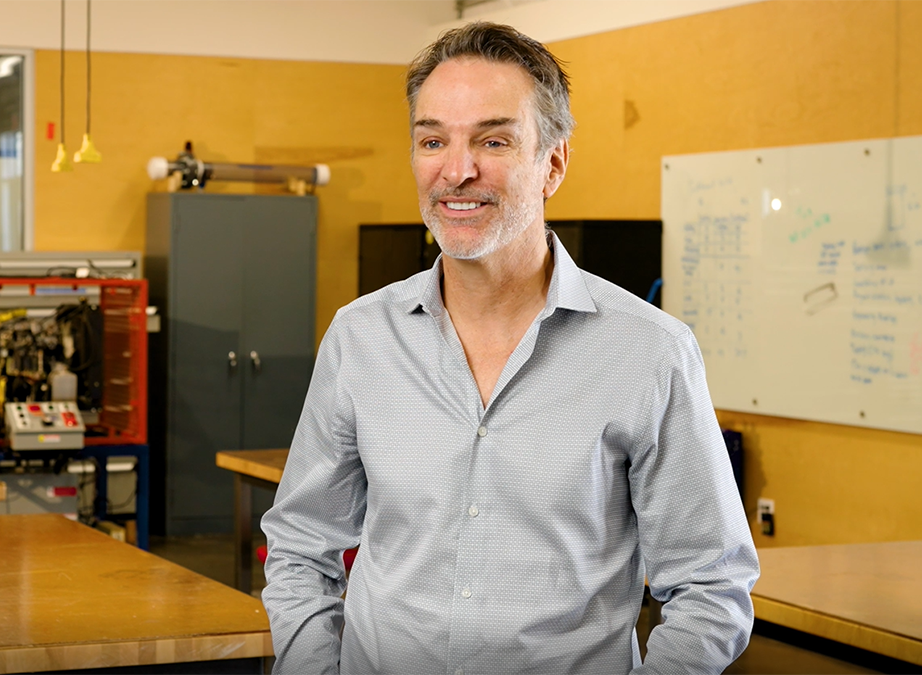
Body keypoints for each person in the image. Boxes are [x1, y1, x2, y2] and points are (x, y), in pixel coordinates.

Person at [261, 21, 759, 675]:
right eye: (433, 139)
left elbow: (711, 588)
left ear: (553, 163)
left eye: (493, 139)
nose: (457, 170)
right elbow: (302, 545)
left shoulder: (650, 353)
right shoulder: (360, 338)